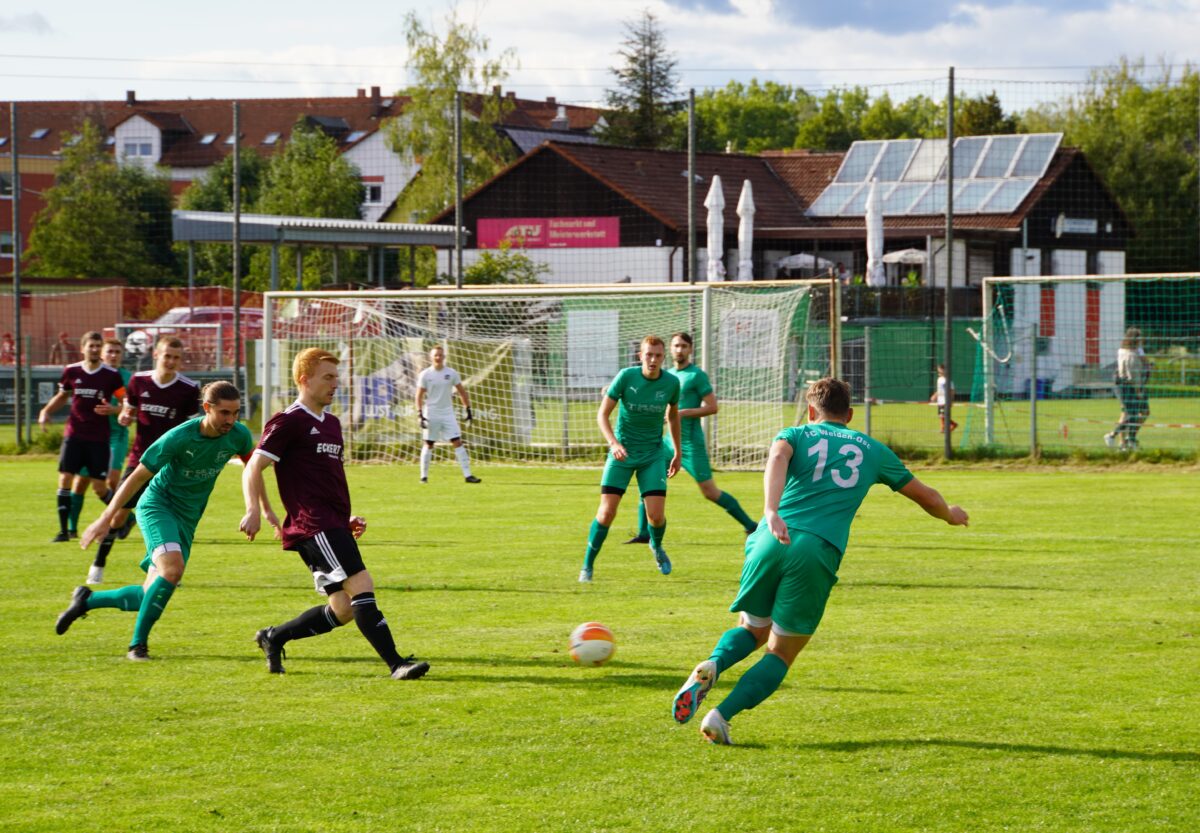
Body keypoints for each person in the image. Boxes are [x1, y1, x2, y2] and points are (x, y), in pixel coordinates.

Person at [671, 378, 969, 745]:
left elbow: (777, 456)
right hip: (816, 550)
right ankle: (721, 715)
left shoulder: (795, 433)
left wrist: (770, 511)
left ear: (811, 411)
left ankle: (713, 664)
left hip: (768, 537)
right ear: (850, 414)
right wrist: (950, 515)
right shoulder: (872, 450)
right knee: (780, 651)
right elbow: (925, 495)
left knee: (752, 629)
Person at [242, 348, 430, 680]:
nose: (336, 384)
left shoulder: (332, 424)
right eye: (328, 377)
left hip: (330, 522)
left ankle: (274, 636)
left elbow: (325, 479)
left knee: (342, 609)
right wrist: (254, 509)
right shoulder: (289, 421)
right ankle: (396, 663)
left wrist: (344, 517)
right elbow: (254, 465)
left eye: (336, 377)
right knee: (362, 584)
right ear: (304, 380)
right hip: (313, 524)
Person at [55, 381, 258, 661]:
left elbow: (252, 470)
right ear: (207, 408)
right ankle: (137, 646)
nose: (231, 420)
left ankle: (87, 600)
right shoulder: (179, 437)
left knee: (149, 593)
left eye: (236, 413)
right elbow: (137, 476)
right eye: (225, 413)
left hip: (188, 518)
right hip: (157, 506)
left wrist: (257, 509)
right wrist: (106, 517)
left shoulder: (238, 436)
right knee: (172, 570)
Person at [85, 335, 200, 584]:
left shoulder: (189, 389)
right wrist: (125, 416)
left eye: (176, 358)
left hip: (172, 464)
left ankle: (168, 569)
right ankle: (98, 564)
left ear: (181, 361)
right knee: (117, 516)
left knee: (172, 518)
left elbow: (192, 428)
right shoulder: (139, 381)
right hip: (140, 459)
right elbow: (129, 409)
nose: (171, 361)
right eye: (167, 355)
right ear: (156, 354)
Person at [625, 332, 756, 545]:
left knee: (710, 492)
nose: (679, 349)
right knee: (649, 485)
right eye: (676, 345)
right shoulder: (664, 375)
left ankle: (751, 526)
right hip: (668, 442)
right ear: (670, 350)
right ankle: (644, 533)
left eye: (684, 346)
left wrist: (683, 413)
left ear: (690, 349)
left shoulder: (696, 375)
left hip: (691, 444)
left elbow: (713, 407)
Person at [580, 335, 681, 583]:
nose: (653, 360)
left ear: (663, 358)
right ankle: (587, 567)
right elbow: (603, 414)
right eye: (649, 354)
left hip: (653, 455)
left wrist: (677, 452)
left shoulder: (671, 383)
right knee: (606, 513)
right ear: (640, 356)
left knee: (656, 516)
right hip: (622, 453)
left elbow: (674, 416)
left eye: (658, 355)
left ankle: (656, 547)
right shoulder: (626, 377)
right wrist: (613, 443)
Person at [38, 332, 126, 543]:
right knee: (65, 478)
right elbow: (63, 395)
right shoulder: (71, 371)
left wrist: (114, 410)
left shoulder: (111, 375)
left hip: (98, 437)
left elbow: (126, 403)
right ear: (83, 348)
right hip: (74, 433)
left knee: (98, 486)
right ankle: (63, 531)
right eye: (91, 346)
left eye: (98, 346)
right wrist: (46, 411)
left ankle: (126, 518)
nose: (95, 349)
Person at [69, 339, 131, 540]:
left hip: (116, 435)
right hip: (92, 436)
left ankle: (118, 521)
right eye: (110, 351)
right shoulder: (93, 375)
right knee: (81, 483)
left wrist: (116, 410)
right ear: (102, 354)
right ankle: (69, 530)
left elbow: (135, 409)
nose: (114, 355)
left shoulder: (128, 379)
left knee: (112, 480)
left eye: (118, 352)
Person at [414, 344, 480, 484]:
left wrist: (467, 409)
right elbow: (418, 396)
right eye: (435, 355)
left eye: (440, 355)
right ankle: (423, 477)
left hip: (447, 413)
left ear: (444, 357)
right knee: (429, 443)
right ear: (431, 357)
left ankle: (468, 475)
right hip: (431, 412)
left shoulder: (451, 373)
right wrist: (420, 414)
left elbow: (462, 391)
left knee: (457, 442)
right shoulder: (425, 374)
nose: (438, 357)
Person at [1105, 327, 1152, 451]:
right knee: (1130, 413)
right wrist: (1138, 391)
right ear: (1135, 340)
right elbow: (1133, 375)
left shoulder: (1125, 350)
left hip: (1129, 383)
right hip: (1128, 386)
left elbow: (1144, 361)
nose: (1142, 341)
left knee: (1141, 412)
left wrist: (1147, 366)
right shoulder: (1132, 355)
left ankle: (1129, 439)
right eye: (1139, 339)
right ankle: (1118, 439)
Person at [929, 364, 958, 433]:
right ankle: (945, 428)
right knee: (941, 415)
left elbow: (952, 391)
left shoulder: (948, 380)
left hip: (946, 401)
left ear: (945, 371)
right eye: (938, 370)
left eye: (941, 370)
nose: (939, 371)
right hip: (940, 400)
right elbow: (939, 390)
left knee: (943, 415)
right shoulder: (939, 379)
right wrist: (934, 396)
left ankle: (951, 425)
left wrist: (951, 401)